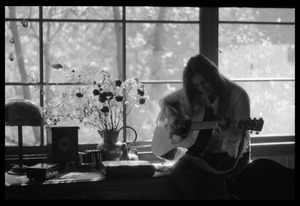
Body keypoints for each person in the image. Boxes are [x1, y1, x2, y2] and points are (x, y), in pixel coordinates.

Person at [157, 54, 251, 199]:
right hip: (203, 152)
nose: (202, 88)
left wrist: (225, 132)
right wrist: (173, 119)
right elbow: (164, 101)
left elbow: (238, 137)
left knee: (209, 188)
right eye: (196, 85)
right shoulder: (194, 92)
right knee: (178, 173)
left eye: (204, 82)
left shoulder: (238, 95)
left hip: (232, 154)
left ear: (213, 76)